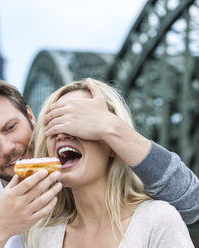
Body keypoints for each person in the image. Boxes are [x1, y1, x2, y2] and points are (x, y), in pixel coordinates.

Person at [0, 76, 199, 248]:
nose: (7, 147)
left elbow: (190, 205)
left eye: (11, 127)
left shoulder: (77, 178)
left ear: (31, 117)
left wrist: (112, 129)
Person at [25, 79, 194, 247]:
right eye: (54, 124)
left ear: (113, 145)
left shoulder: (157, 222)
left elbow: (192, 201)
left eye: (79, 122)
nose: (62, 134)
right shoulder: (42, 237)